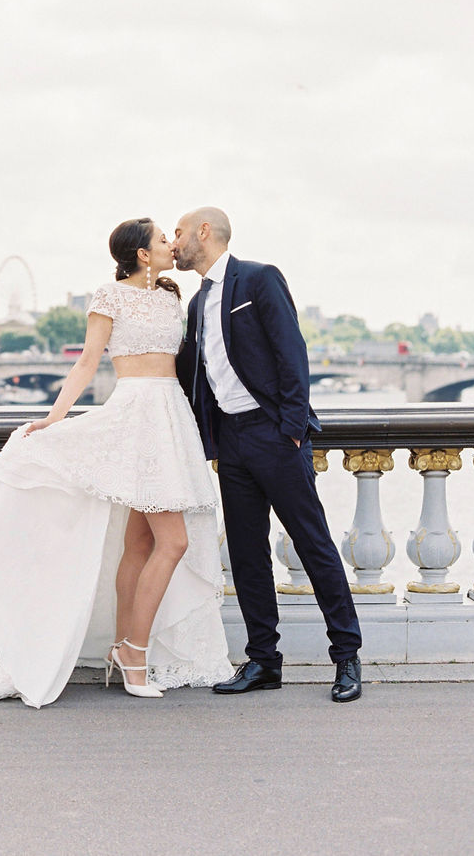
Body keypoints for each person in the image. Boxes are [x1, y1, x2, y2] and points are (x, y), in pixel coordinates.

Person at [0, 218, 231, 708]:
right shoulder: (108, 297)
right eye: (160, 240)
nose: (172, 244)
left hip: (172, 415)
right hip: (136, 416)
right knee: (173, 542)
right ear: (142, 255)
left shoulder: (173, 297)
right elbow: (87, 362)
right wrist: (53, 418)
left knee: (141, 541)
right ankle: (134, 652)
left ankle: (123, 646)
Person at [172, 207, 362, 703]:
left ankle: (346, 658)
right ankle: (263, 662)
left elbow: (291, 352)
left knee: (313, 544)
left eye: (179, 233)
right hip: (231, 441)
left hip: (275, 435)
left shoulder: (258, 279)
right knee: (247, 554)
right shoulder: (196, 303)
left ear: (204, 233)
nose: (175, 242)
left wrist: (292, 429)